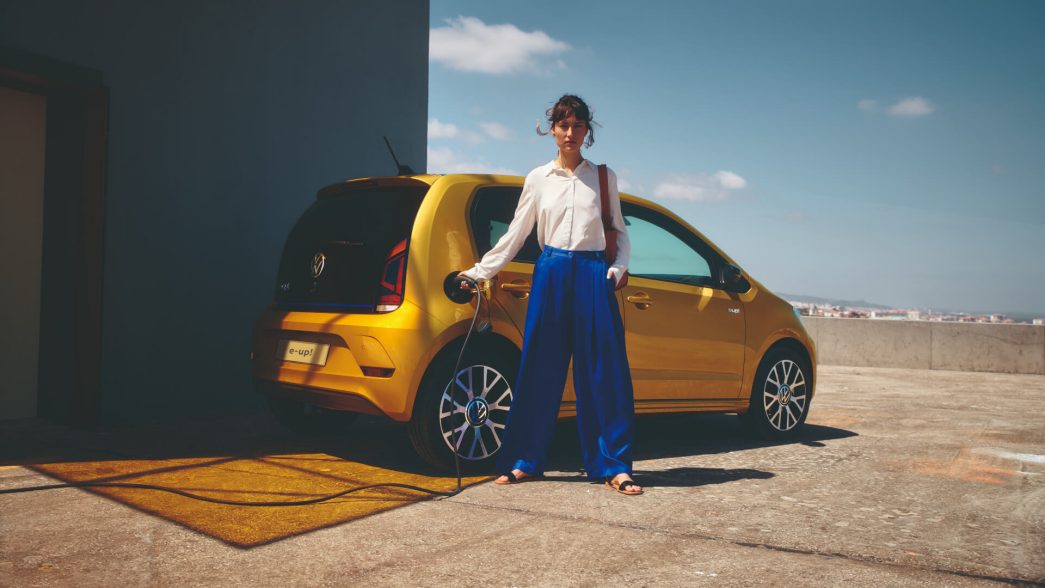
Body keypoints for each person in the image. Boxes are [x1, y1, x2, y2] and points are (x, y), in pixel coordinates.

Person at [457, 94, 642, 496]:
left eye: (578, 125)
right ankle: (523, 460)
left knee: (604, 373)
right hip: (552, 271)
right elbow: (515, 234)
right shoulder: (537, 178)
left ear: (587, 131)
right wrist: (478, 272)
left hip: (594, 274)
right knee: (539, 369)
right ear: (552, 130)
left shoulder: (604, 178)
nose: (571, 132)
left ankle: (613, 465)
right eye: (564, 125)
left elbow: (620, 233)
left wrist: (615, 271)